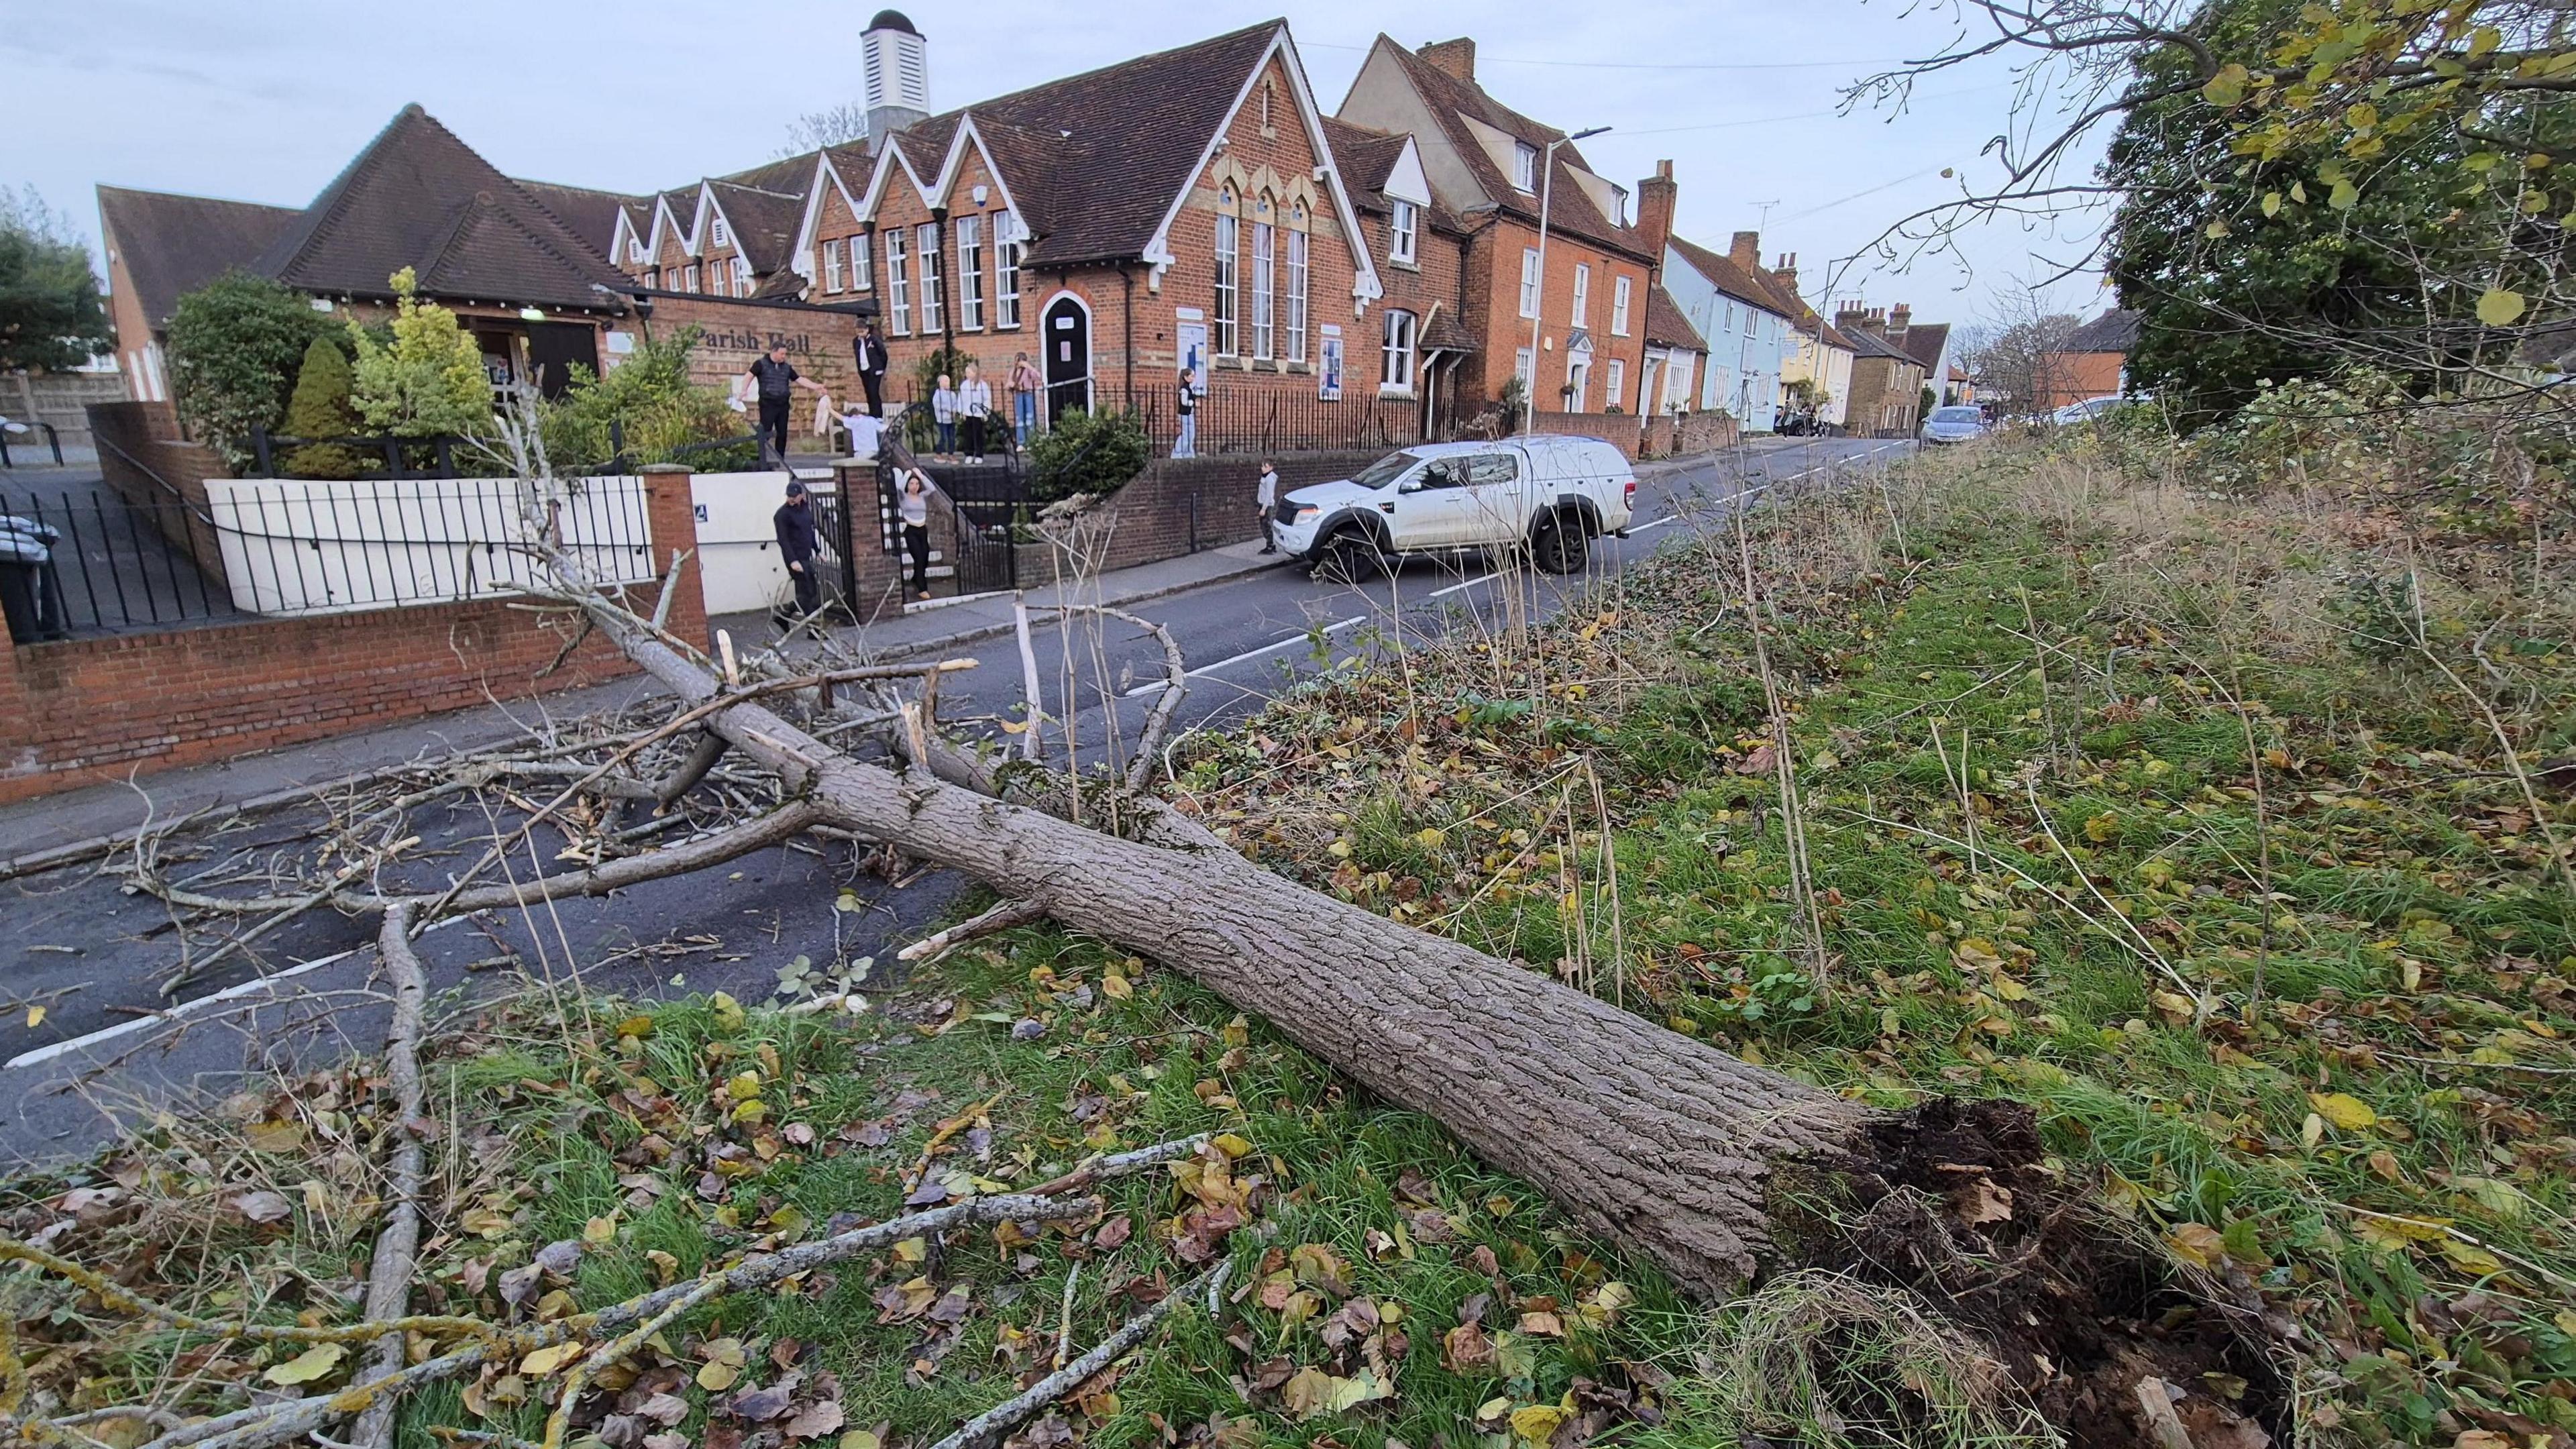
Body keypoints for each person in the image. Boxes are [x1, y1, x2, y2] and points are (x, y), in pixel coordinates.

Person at [745, 343, 824, 467]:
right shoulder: (761, 364)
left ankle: (780, 460)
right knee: (765, 432)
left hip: (783, 404)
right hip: (768, 404)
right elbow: (749, 376)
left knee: (782, 433)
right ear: (774, 352)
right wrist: (743, 391)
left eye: (785, 354)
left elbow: (799, 379)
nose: (784, 356)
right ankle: (760, 459)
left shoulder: (787, 368)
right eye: (782, 354)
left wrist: (815, 386)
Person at [771, 478, 823, 632]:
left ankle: (783, 616)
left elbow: (809, 532)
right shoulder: (782, 515)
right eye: (789, 496)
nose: (791, 499)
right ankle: (815, 630)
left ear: (801, 496)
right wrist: (793, 561)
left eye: (794, 496)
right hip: (794, 559)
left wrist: (818, 551)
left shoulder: (805, 510)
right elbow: (783, 540)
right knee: (807, 593)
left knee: (809, 592)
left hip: (805, 556)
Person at [898, 467, 935, 600]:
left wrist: (921, 475)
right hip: (911, 530)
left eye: (917, 484)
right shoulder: (903, 497)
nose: (914, 486)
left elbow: (932, 489)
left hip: (922, 529)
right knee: (919, 557)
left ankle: (915, 578)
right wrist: (907, 474)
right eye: (912, 483)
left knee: (925, 558)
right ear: (908, 485)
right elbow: (900, 488)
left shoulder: (921, 496)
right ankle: (922, 588)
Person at [958, 363, 993, 464]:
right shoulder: (964, 385)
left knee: (978, 435)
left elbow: (987, 399)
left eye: (969, 372)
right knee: (968, 435)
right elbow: (961, 399)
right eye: (966, 373)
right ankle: (969, 454)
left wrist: (985, 412)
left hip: (978, 414)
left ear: (974, 373)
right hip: (968, 413)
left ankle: (979, 454)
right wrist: (962, 412)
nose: (967, 375)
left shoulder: (982, 385)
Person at [851, 322, 888, 418]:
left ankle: (877, 416)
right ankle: (872, 415)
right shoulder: (856, 342)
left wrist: (880, 368)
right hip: (864, 371)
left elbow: (883, 354)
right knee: (869, 394)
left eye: (862, 330)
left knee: (874, 392)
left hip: (875, 371)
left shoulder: (873, 340)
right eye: (858, 330)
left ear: (867, 330)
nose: (860, 332)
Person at [1009, 351, 1041, 447]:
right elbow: (1008, 383)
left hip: (1028, 393)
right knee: (1020, 418)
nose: (1018, 363)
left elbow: (1038, 376)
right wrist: (1012, 385)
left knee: (1029, 417)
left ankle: (1031, 441)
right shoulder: (1013, 372)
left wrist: (1029, 366)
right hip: (1019, 394)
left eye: (1019, 361)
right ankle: (1021, 442)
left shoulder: (1028, 371)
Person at [1254, 458, 1281, 555]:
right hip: (1263, 504)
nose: (1262, 468)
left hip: (1267, 505)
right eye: (1262, 466)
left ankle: (1270, 546)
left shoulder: (1269, 479)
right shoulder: (1265, 477)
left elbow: (1269, 495)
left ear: (1270, 467)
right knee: (1264, 526)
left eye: (1264, 466)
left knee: (1266, 526)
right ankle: (1270, 545)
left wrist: (1264, 509)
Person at [931, 373, 959, 455]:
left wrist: (954, 411)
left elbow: (955, 404)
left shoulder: (952, 394)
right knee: (944, 437)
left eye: (949, 381)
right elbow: (937, 405)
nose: (948, 383)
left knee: (952, 438)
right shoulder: (938, 394)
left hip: (951, 419)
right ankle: (939, 452)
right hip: (942, 419)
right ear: (940, 383)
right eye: (946, 381)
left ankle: (951, 454)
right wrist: (948, 410)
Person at [1173, 366, 1197, 459]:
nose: (1193, 378)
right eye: (1192, 376)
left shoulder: (1188, 388)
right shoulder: (1184, 389)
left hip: (1189, 413)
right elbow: (1184, 402)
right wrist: (1193, 403)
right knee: (1186, 434)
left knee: (1191, 434)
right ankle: (1178, 452)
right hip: (1184, 414)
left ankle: (1187, 453)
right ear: (1185, 377)